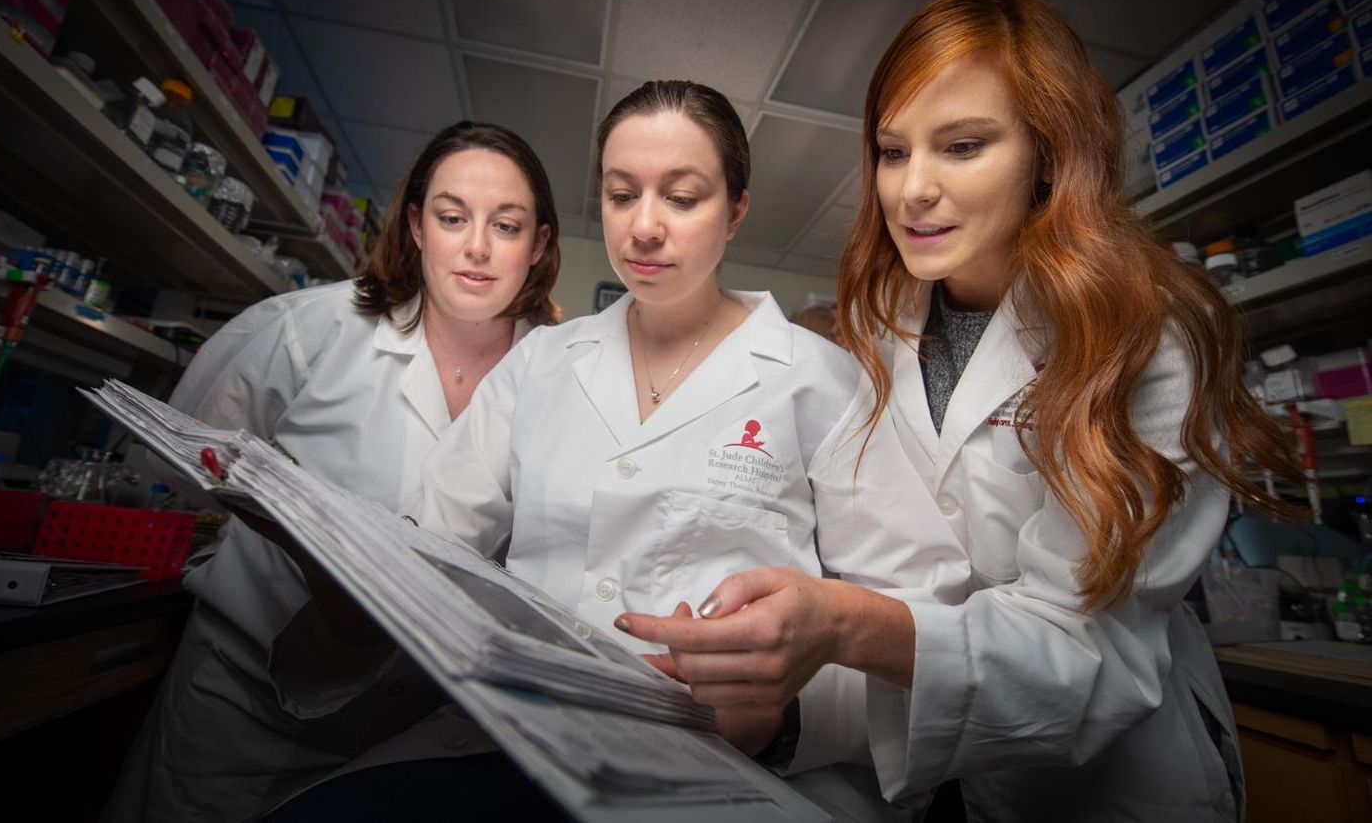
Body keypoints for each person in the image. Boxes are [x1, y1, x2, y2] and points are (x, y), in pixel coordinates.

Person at [620, 0, 1305, 821]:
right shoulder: (882, 328)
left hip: (1116, 787)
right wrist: (776, 708)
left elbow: (1086, 650)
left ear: (1049, 154)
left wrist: (841, 625)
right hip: (950, 790)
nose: (912, 190)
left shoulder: (1148, 338)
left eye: (964, 145)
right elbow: (902, 590)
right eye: (893, 151)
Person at [262, 80, 967, 822]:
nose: (644, 227)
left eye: (683, 197)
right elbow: (433, 547)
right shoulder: (541, 364)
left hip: (718, 770)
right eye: (621, 194)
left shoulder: (817, 379)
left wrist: (785, 716)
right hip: (517, 740)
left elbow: (918, 617)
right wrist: (351, 569)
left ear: (736, 210)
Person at [104, 120, 561, 823]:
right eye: (451, 217)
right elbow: (176, 463)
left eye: (506, 225)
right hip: (241, 706)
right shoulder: (309, 330)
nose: (476, 247)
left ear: (539, 246)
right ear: (415, 226)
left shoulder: (559, 383)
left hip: (410, 738)